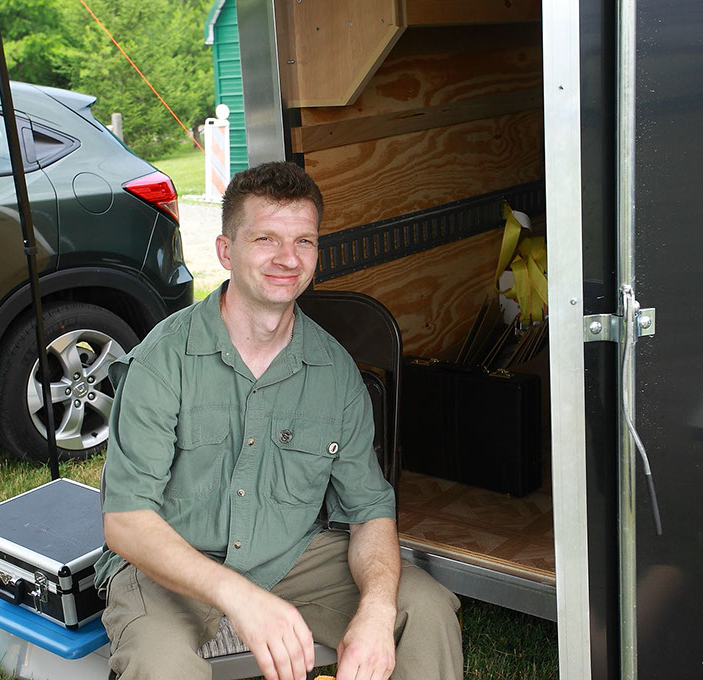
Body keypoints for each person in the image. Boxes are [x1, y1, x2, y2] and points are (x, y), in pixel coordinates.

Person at [94, 161, 464, 680]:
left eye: (304, 241)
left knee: (423, 609)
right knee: (161, 664)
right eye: (266, 238)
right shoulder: (163, 360)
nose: (288, 258)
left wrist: (378, 611)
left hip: (290, 556)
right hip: (170, 561)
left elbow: (369, 510)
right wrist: (240, 598)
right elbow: (127, 522)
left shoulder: (335, 372)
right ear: (226, 251)